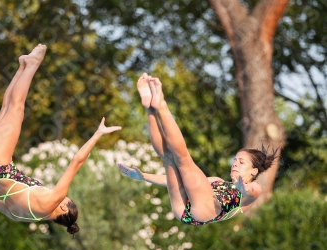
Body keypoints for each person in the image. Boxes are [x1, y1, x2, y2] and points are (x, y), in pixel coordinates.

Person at [0, 44, 121, 234]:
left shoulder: (54, 199)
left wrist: (98, 134)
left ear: (64, 207)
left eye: (66, 200)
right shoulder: (20, 216)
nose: (64, 198)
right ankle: (23, 66)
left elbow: (76, 161)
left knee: (16, 108)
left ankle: (31, 64)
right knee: (7, 109)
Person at [118, 73, 278, 226]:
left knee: (184, 159)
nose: (235, 164)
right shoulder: (217, 181)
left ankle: (161, 104)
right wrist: (143, 176)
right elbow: (173, 181)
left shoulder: (251, 193)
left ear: (254, 172)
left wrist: (243, 188)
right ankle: (150, 109)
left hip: (205, 211)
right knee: (168, 157)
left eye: (241, 162)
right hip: (183, 211)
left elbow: (252, 190)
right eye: (235, 160)